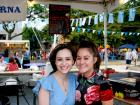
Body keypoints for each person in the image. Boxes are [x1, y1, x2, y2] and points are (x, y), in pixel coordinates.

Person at [75, 39, 113, 105]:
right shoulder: (78, 78)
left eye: (86, 58)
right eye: (78, 58)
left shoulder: (103, 84)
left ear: (94, 60)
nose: (81, 62)